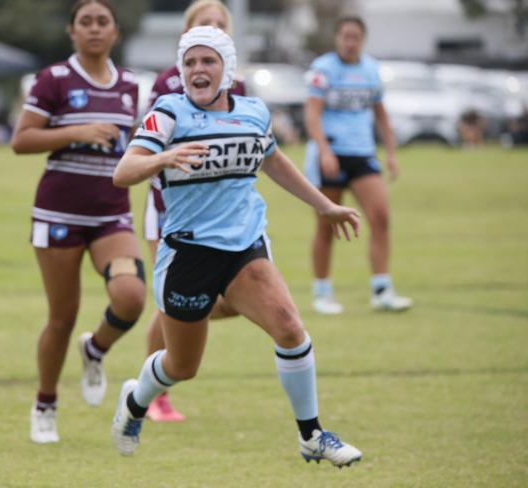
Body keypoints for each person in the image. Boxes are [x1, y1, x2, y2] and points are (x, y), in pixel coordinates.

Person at [110, 26, 363, 467]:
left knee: (289, 327)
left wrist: (325, 206)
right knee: (181, 367)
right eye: (189, 62)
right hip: (188, 254)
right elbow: (124, 171)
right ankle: (135, 401)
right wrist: (161, 158)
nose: (197, 70)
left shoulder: (253, 112)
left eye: (208, 60)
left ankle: (312, 435)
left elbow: (275, 161)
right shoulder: (169, 112)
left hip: (245, 246)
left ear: (226, 69)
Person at [10, 0, 146, 444]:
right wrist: (78, 131)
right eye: (84, 22)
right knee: (61, 317)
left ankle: (96, 349)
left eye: (101, 22)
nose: (93, 29)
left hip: (111, 214)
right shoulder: (54, 80)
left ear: (115, 32)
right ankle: (45, 404)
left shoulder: (129, 85)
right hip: (59, 215)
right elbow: (22, 139)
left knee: (130, 297)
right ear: (71, 32)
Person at [142, 0, 246, 423]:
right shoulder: (170, 83)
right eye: (205, 24)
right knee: (170, 306)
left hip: (220, 217)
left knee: (230, 302)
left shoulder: (236, 88)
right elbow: (147, 151)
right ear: (187, 30)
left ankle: (160, 366)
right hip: (170, 211)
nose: (214, 29)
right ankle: (153, 396)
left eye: (221, 25)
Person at [303, 16, 412, 315]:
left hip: (362, 154)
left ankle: (381, 289)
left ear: (362, 40)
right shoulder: (323, 70)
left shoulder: (371, 69)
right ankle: (322, 293)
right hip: (332, 154)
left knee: (381, 217)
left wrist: (390, 154)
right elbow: (312, 115)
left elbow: (381, 115)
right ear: (337, 38)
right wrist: (324, 151)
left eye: (356, 37)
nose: (350, 43)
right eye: (345, 36)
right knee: (326, 226)